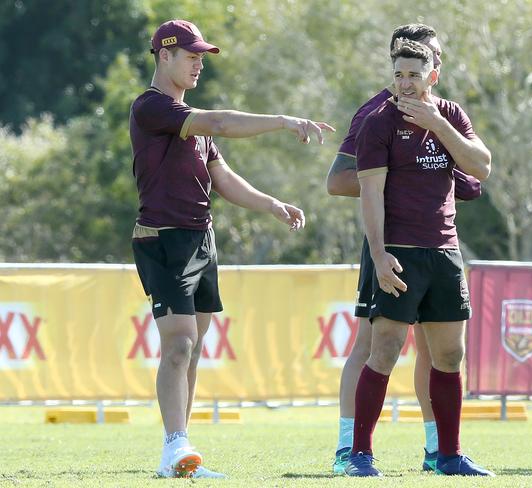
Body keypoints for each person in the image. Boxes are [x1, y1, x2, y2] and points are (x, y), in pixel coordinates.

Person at [129, 19, 334, 479]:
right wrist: (284, 122)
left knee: (194, 348)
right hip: (163, 238)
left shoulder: (193, 124)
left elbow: (222, 179)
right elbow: (220, 120)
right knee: (179, 344)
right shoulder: (152, 108)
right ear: (164, 56)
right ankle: (175, 446)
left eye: (202, 55)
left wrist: (272, 205)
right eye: (191, 55)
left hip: (202, 239)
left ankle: (179, 447)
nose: (199, 63)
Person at [326, 24, 482, 475]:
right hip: (392, 244)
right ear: (394, 66)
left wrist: (441, 148)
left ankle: (441, 452)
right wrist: (383, 238)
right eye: (401, 70)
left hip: (441, 248)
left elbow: (477, 172)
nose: (408, 79)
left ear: (434, 70)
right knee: (376, 345)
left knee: (442, 356)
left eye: (422, 65)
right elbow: (341, 182)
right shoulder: (376, 116)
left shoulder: (450, 114)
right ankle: (350, 452)